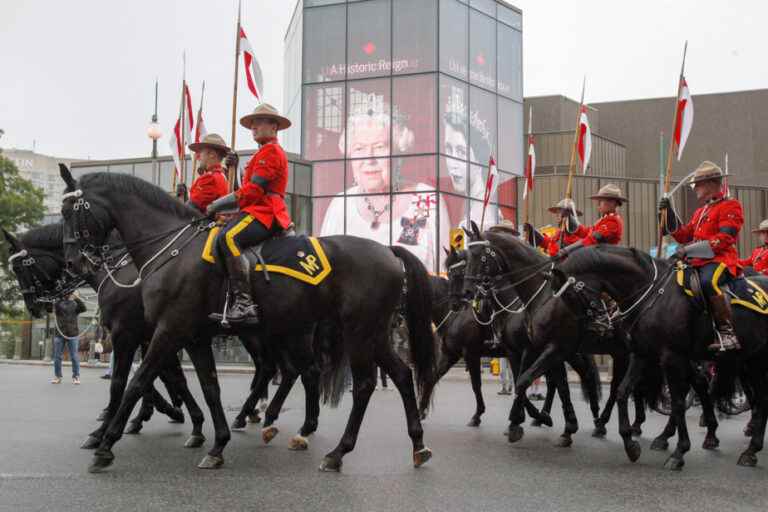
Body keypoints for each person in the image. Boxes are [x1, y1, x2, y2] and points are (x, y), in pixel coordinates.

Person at [320, 96, 449, 270]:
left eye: (380, 147)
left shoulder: (426, 199)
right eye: (359, 148)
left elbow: (445, 274)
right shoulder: (340, 205)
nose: (369, 158)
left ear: (398, 151)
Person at [207, 104, 293, 324]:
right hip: (255, 209)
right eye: (252, 124)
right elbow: (244, 192)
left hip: (267, 212)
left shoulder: (271, 151)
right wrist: (233, 173)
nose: (254, 127)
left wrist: (218, 203)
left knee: (228, 237)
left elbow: (254, 191)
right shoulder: (261, 153)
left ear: (274, 127)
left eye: (259, 122)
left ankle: (244, 304)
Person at [659, 161, 744, 352]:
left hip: (719, 259)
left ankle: (727, 333)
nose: (695, 188)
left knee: (708, 282)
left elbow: (725, 238)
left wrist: (689, 250)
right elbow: (684, 235)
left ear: (712, 184)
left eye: (698, 184)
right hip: (695, 262)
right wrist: (669, 212)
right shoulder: (701, 211)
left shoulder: (730, 205)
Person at [526, 184, 626, 256]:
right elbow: (587, 232)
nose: (598, 204)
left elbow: (591, 239)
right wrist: (535, 235)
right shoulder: (603, 220)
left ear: (613, 202)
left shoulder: (613, 221)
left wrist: (564, 251)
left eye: (601, 201)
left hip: (601, 258)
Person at [187, 133, 230, 213]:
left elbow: (191, 207)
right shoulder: (220, 175)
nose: (197, 156)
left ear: (212, 154)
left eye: (200, 152)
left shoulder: (210, 178)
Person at [52, 293, 86, 384]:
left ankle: (76, 376)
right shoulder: (59, 304)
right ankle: (57, 376)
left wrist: (76, 297)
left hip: (72, 334)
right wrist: (58, 296)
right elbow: (53, 306)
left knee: (74, 356)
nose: (68, 294)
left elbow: (84, 308)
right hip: (60, 333)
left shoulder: (75, 304)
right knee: (57, 356)